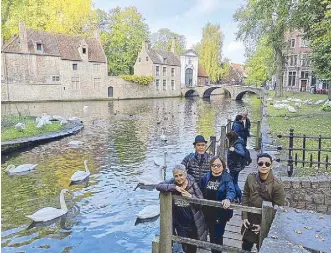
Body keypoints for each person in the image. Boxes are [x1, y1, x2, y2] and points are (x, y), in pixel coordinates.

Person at [156, 164, 207, 253]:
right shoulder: (172, 182)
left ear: (185, 174)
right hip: (180, 224)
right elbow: (159, 186)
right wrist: (174, 187)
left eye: (181, 175)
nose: (179, 178)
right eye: (176, 176)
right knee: (184, 245)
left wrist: (190, 196)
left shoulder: (193, 185)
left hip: (193, 223)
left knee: (192, 246)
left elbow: (201, 203)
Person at [241, 153, 285, 251]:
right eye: (260, 163)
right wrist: (244, 216)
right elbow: (245, 196)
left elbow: (278, 209)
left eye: (267, 164)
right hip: (250, 219)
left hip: (266, 222)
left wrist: (264, 225)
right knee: (245, 246)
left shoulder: (277, 185)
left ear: (271, 166)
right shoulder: (250, 178)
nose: (264, 166)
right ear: (257, 165)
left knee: (261, 248)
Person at [199, 156, 236, 253]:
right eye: (213, 165)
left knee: (218, 235)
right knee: (212, 234)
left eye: (218, 165)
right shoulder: (206, 177)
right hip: (207, 211)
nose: (216, 167)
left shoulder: (227, 177)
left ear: (223, 166)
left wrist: (228, 199)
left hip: (221, 212)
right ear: (210, 166)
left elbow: (231, 190)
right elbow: (199, 189)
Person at [226, 131, 246, 203]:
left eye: (228, 138)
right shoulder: (235, 142)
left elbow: (242, 153)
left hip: (235, 167)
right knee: (234, 182)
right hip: (234, 166)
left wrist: (234, 150)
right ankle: (238, 198)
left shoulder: (237, 144)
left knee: (233, 183)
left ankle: (239, 197)